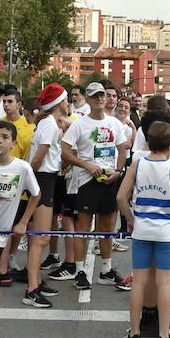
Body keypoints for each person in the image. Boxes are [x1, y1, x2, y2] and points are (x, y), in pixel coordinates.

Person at [117, 120, 170, 338]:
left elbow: (120, 198)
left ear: (148, 142)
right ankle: (163, 337)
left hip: (142, 229)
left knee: (139, 282)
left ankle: (134, 334)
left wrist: (130, 217)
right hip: (165, 230)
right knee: (163, 283)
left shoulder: (137, 164)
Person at [56, 82, 129, 291]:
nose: (99, 99)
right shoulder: (79, 124)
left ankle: (106, 270)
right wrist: (86, 164)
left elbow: (122, 150)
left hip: (109, 180)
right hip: (87, 181)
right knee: (83, 228)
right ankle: (80, 271)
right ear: (87, 100)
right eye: (95, 96)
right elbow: (65, 152)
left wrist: (117, 171)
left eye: (102, 96)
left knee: (106, 227)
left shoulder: (114, 123)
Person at [0, 120, 37, 334]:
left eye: (4, 137)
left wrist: (22, 222)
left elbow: (36, 195)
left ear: (13, 143)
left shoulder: (22, 167)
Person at [25, 84, 70, 307]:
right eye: (66, 99)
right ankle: (32, 289)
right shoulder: (49, 124)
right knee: (41, 237)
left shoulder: (47, 123)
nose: (68, 102)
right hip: (43, 179)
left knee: (37, 236)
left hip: (44, 179)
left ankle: (36, 281)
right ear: (59, 103)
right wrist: (30, 181)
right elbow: (37, 159)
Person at [3, 89, 34, 160]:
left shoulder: (29, 124)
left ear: (19, 104)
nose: (6, 105)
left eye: (10, 101)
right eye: (4, 102)